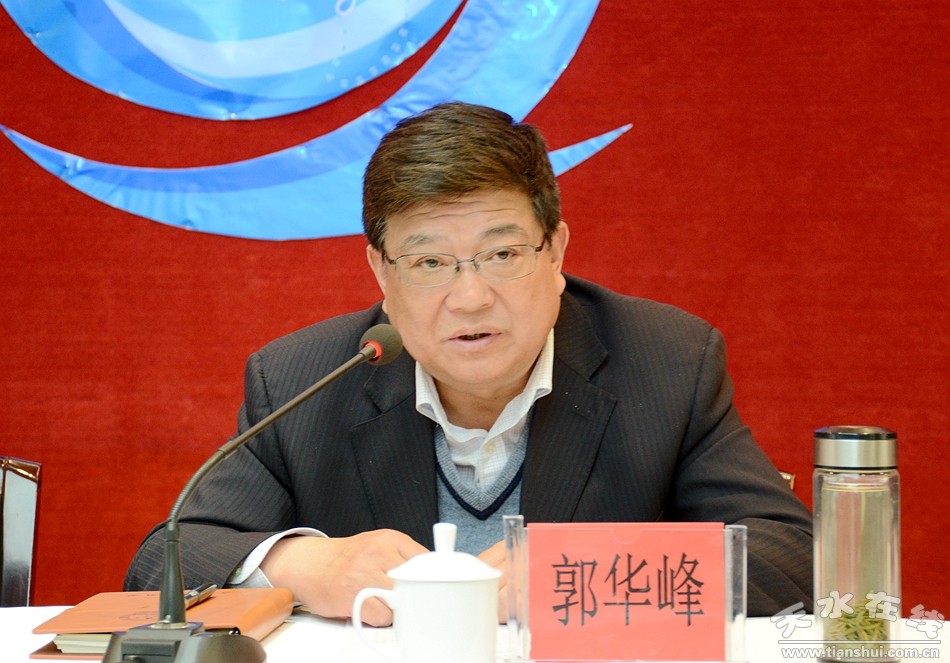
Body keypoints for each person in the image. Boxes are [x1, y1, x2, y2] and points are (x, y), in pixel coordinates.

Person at [125, 101, 812, 624]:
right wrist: (310, 563)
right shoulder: (301, 377)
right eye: (429, 262)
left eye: (502, 254)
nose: (471, 297)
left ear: (555, 252)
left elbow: (796, 558)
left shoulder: (666, 362)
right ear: (383, 275)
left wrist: (583, 572)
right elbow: (164, 561)